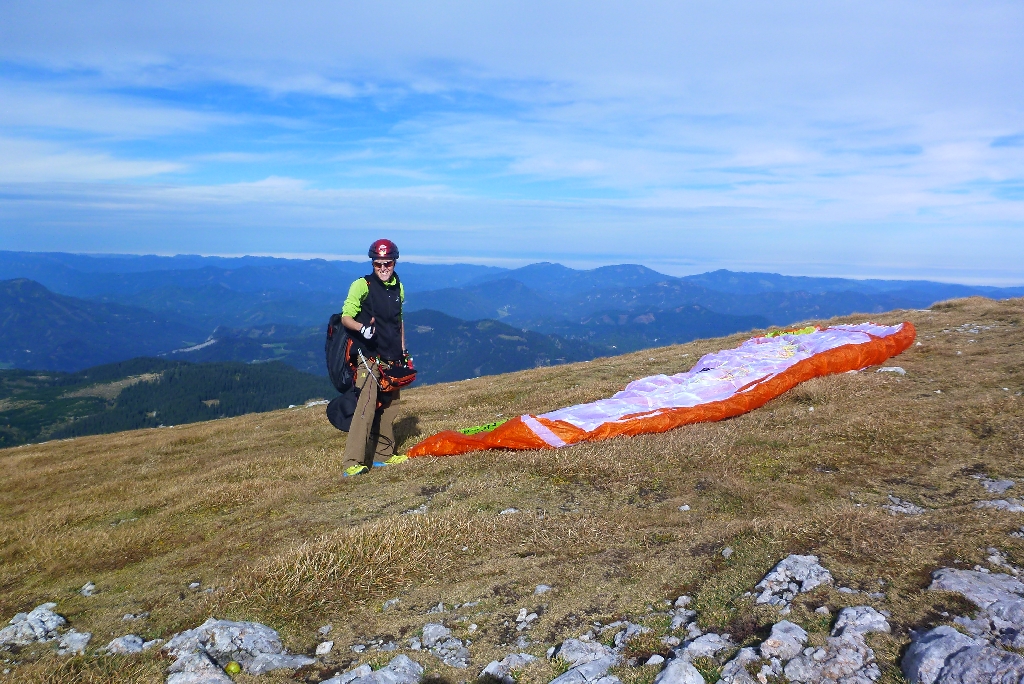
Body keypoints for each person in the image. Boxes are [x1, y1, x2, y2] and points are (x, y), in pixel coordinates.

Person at [340, 239, 407, 476]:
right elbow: (345, 317)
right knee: (366, 407)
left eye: (387, 263)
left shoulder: (398, 286)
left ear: (394, 262)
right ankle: (351, 463)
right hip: (368, 357)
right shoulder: (362, 285)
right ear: (372, 263)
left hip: (392, 356)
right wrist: (362, 329)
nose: (383, 268)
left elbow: (398, 321)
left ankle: (383, 456)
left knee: (390, 406)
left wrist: (403, 353)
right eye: (378, 264)